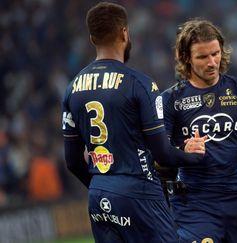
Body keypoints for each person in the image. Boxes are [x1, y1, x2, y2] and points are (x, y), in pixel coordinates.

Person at [61, 2, 206, 242]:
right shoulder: (139, 84)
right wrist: (194, 156)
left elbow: (72, 162)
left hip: (98, 195)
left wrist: (104, 185)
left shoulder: (72, 88)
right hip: (139, 192)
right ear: (125, 33)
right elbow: (163, 154)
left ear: (91, 38)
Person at [161, 18, 237, 242]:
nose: (212, 62)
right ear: (186, 58)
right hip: (194, 206)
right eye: (202, 56)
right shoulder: (170, 100)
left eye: (215, 53)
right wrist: (182, 150)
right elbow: (158, 157)